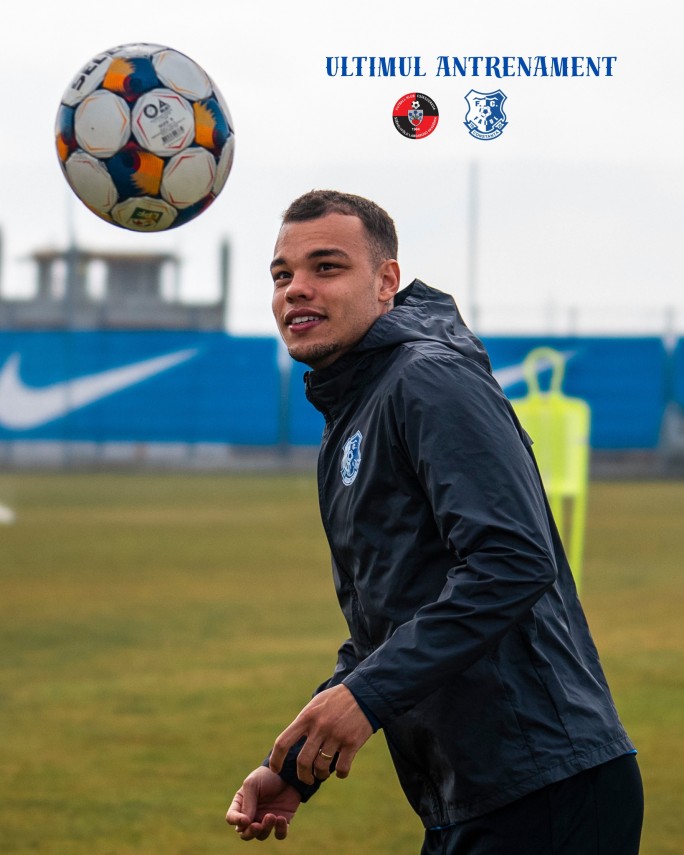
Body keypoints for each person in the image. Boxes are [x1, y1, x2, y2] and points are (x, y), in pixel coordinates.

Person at [226, 190, 644, 854]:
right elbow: (389, 620)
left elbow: (513, 562)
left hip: (545, 790)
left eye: (326, 267)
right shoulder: (354, 411)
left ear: (386, 280)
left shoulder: (429, 378)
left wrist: (367, 698)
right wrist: (296, 765)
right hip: (475, 797)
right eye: (282, 275)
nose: (296, 289)